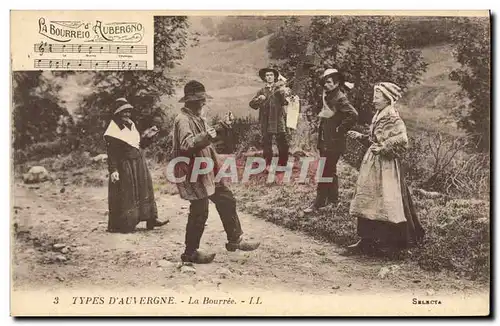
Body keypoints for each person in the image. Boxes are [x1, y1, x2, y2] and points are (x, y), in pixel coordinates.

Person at [172, 80, 260, 264]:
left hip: (208, 168)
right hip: (193, 171)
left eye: (203, 99)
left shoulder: (196, 117)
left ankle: (235, 239)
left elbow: (207, 136)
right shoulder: (183, 120)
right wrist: (212, 132)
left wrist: (223, 126)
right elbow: (188, 144)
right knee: (199, 211)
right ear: (189, 102)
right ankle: (190, 252)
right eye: (199, 100)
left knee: (226, 198)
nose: (203, 103)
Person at [347, 82, 425, 254]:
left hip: (387, 166)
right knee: (368, 198)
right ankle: (366, 240)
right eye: (374, 96)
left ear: (387, 99)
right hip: (373, 164)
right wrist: (361, 136)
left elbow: (402, 140)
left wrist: (383, 148)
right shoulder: (378, 115)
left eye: (377, 96)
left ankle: (389, 243)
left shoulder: (392, 117)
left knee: (387, 200)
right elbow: (375, 139)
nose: (374, 100)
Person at [104, 98, 169, 233]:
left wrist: (149, 137)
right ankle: (126, 223)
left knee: (145, 190)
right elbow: (112, 154)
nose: (126, 115)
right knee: (128, 193)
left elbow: (139, 145)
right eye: (123, 112)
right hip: (125, 166)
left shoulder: (131, 125)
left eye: (128, 112)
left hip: (139, 163)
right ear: (117, 114)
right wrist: (113, 170)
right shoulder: (112, 131)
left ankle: (151, 219)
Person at [304, 69, 358, 214]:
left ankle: (318, 203)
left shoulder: (340, 98)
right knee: (330, 170)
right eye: (325, 82)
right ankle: (333, 200)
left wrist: (339, 130)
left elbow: (353, 115)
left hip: (334, 142)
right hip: (326, 141)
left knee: (325, 171)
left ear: (336, 83)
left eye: (329, 82)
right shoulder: (329, 96)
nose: (325, 85)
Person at [249, 67, 291, 170]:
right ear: (264, 78)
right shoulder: (262, 91)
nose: (269, 77)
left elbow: (285, 102)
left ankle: (282, 164)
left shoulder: (280, 89)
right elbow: (252, 105)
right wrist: (259, 99)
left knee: (282, 142)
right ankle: (268, 164)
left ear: (275, 77)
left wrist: (284, 94)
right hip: (266, 119)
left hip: (278, 119)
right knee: (266, 142)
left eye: (271, 75)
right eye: (267, 75)